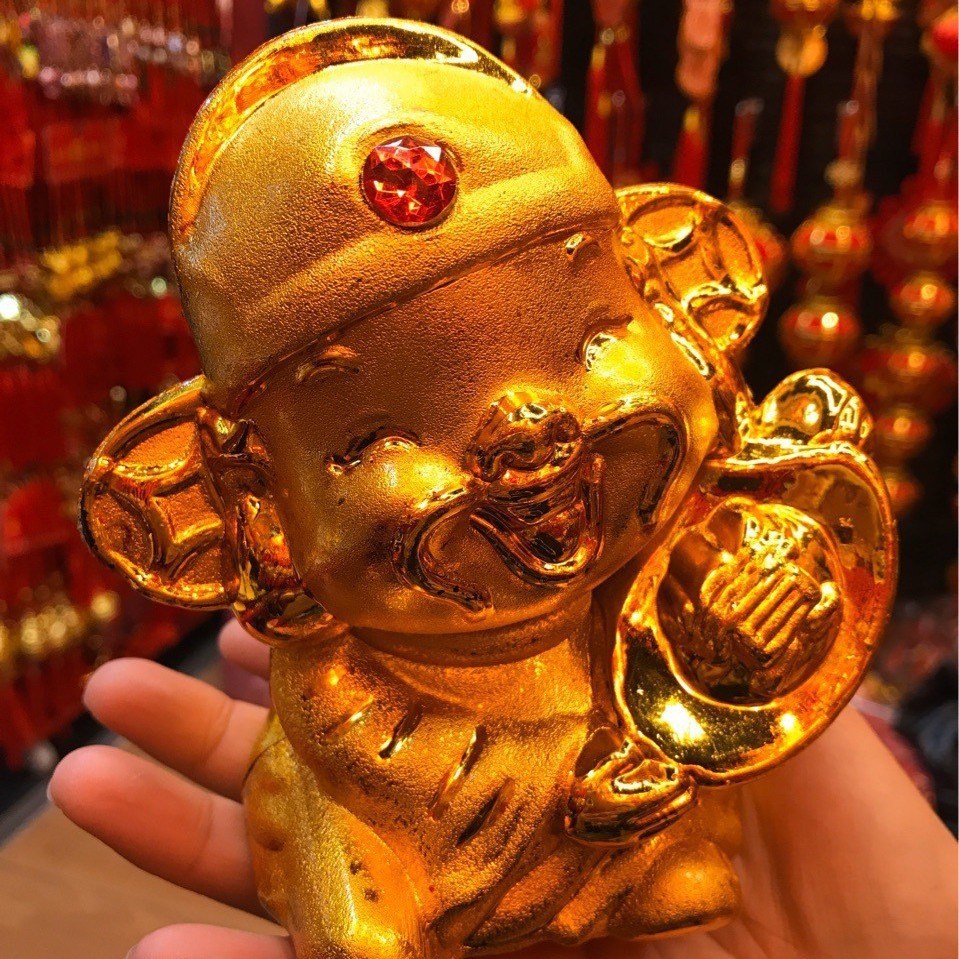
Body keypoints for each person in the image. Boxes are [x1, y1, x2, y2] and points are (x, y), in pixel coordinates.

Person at [49, 619, 958, 959]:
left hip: (569, 802)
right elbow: (371, 747)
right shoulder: (326, 644)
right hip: (383, 817)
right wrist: (569, 784)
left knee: (693, 880)